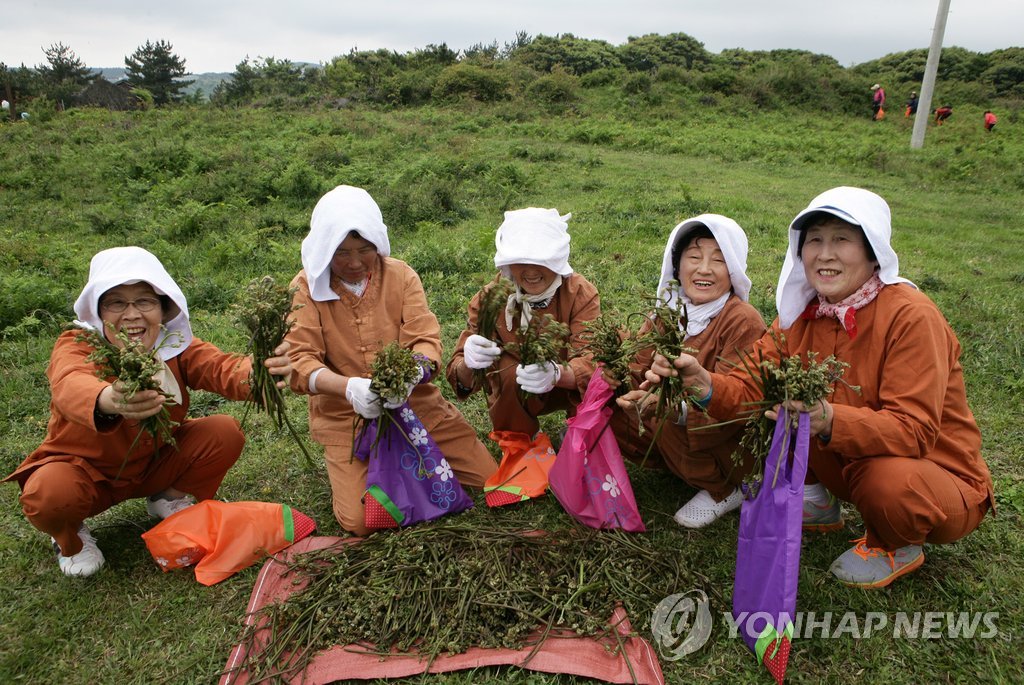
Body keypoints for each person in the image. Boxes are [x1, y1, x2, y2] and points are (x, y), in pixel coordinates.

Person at [646, 187, 993, 589]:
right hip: (846, 462)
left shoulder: (911, 317)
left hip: (935, 475)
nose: (825, 254)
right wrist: (704, 384)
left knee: (887, 483)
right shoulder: (800, 316)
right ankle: (820, 503)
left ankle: (895, 544)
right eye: (815, 240)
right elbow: (748, 385)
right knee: (777, 413)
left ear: (871, 251)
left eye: (841, 239)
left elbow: (913, 430)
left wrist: (828, 418)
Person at [3, 246, 293, 578]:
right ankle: (71, 538)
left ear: (162, 307)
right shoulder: (78, 344)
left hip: (155, 463)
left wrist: (256, 373)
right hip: (86, 475)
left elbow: (219, 367)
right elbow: (69, 382)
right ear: (98, 310)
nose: (132, 315)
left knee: (223, 433)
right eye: (116, 303)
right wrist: (107, 398)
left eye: (144, 301)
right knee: (49, 493)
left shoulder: (172, 344)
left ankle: (166, 499)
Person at [286, 185, 497, 536]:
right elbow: (299, 361)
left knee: (490, 479)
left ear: (378, 244)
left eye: (364, 250)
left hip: (419, 406)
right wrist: (349, 388)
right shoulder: (305, 288)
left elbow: (424, 339)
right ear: (324, 249)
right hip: (347, 419)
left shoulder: (400, 275)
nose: (354, 263)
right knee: (361, 521)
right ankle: (359, 469)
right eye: (341, 253)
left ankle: (413, 465)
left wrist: (412, 375)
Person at [610, 215, 765, 528]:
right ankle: (676, 465)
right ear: (677, 265)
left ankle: (724, 488)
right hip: (678, 434)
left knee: (664, 413)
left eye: (718, 260)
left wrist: (676, 407)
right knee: (611, 406)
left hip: (725, 440)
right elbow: (638, 364)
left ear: (733, 270)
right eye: (694, 257)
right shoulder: (666, 311)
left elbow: (739, 407)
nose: (704, 269)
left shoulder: (743, 321)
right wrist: (625, 384)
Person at [446, 207, 600, 437]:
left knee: (600, 377)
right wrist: (469, 362)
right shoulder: (492, 298)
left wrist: (557, 374)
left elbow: (592, 360)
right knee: (507, 369)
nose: (531, 271)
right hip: (517, 388)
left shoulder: (579, 294)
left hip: (565, 386)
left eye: (541, 262)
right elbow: (460, 378)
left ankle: (578, 429)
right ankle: (519, 440)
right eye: (520, 262)